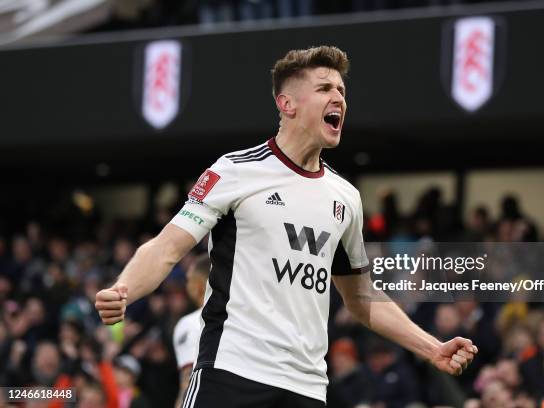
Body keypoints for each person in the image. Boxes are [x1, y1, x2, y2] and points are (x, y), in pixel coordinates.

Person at [95, 45, 478, 408]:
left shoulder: (345, 198)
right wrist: (124, 289)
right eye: (325, 88)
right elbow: (166, 248)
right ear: (287, 103)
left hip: (306, 387)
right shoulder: (235, 171)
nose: (339, 99)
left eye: (342, 91)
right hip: (232, 372)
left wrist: (431, 347)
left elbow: (361, 298)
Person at [172, 254, 210, 408]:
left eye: (188, 280)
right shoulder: (241, 317)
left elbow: (187, 383)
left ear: (199, 285)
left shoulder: (191, 323)